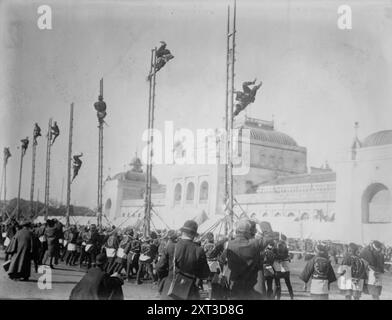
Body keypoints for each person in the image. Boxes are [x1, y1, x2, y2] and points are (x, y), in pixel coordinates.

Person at [158, 220, 210, 300]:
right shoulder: (199, 250)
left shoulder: (171, 246)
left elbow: (159, 267)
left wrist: (167, 278)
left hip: (170, 290)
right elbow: (205, 275)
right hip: (189, 291)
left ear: (182, 232)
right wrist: (205, 296)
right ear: (193, 235)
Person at [222, 219, 264, 300]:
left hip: (235, 284)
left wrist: (226, 237)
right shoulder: (255, 244)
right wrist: (260, 223)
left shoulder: (229, 245)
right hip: (254, 285)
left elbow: (221, 260)